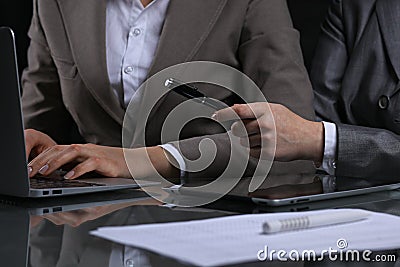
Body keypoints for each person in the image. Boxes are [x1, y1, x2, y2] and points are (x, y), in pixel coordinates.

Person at [24, 0, 315, 180]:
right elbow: (37, 123)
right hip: (84, 233)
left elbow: (290, 141)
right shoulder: (54, 3)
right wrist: (30, 144)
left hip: (203, 216)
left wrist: (139, 161)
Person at [214, 0, 400, 179]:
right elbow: (321, 114)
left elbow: (310, 133)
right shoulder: (351, 5)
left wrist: (320, 140)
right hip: (349, 198)